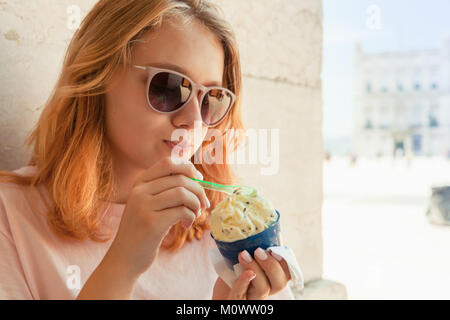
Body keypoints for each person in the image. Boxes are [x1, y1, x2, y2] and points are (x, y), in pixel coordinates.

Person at [0, 0, 293, 300]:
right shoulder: (11, 217)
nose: (192, 122)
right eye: (170, 87)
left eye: (212, 99)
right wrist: (122, 264)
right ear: (96, 74)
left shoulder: (230, 229)